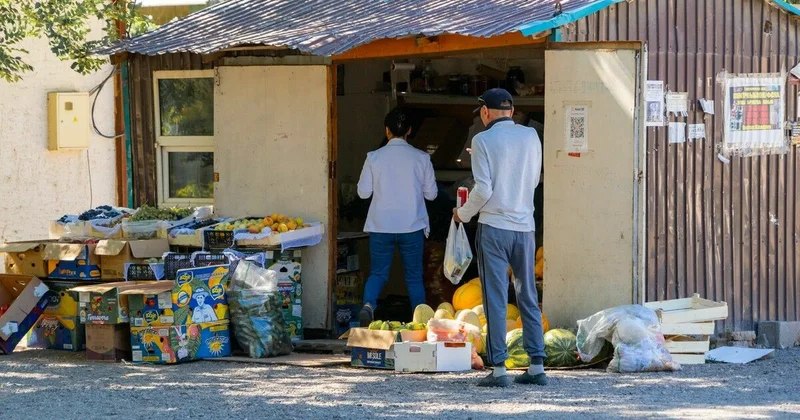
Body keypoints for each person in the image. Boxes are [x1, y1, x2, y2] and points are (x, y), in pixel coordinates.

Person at [453, 88, 545, 387]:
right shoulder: (531, 137)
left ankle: (500, 370)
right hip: (525, 228)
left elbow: (483, 189)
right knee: (527, 294)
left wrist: (462, 214)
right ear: (512, 109)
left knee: (494, 296)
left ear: (485, 112)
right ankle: (537, 366)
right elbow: (533, 180)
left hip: (493, 228)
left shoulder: (481, 140)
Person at [357, 107, 438, 326]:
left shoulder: (374, 158)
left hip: (380, 226)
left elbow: (363, 192)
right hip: (412, 226)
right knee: (413, 276)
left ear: (387, 131)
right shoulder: (422, 158)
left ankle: (368, 305)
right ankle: (422, 321)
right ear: (409, 131)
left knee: (378, 273)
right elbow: (432, 195)